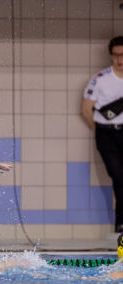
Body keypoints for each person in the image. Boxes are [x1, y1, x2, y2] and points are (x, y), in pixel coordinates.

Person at [82, 36, 123, 233]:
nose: (120, 60)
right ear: (110, 56)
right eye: (116, 56)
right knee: (119, 176)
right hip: (106, 135)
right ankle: (120, 225)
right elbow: (86, 109)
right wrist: (99, 131)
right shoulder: (100, 79)